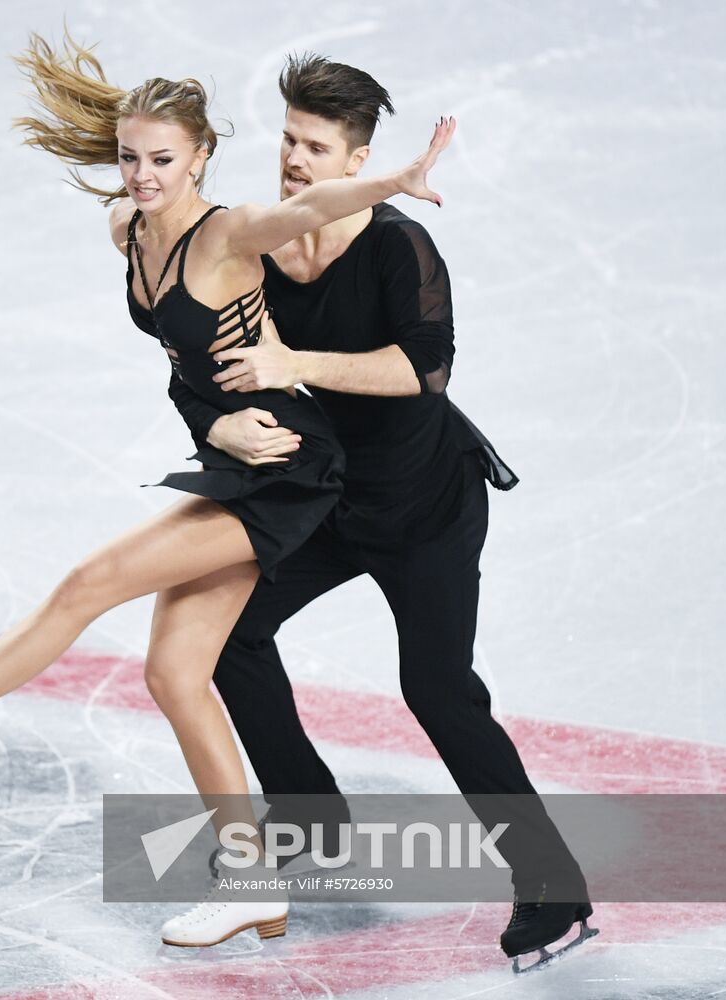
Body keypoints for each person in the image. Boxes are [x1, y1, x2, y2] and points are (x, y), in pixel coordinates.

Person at [0, 32, 454, 949]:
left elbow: (315, 204)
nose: (143, 176)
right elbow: (187, 364)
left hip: (287, 467)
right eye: (130, 158)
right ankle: (250, 881)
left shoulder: (227, 232)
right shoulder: (126, 230)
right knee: (174, 674)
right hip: (235, 453)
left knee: (88, 584)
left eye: (162, 160)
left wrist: (394, 179)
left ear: (200, 157)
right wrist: (214, 425)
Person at [165, 52, 595, 972]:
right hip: (324, 502)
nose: (293, 160)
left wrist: (295, 364)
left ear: (355, 160)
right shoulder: (256, 246)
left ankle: (553, 886)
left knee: (437, 690)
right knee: (227, 631)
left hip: (425, 505)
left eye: (315, 148)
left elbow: (423, 371)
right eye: (288, 139)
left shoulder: (399, 247)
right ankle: (312, 819)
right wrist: (219, 423)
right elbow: (192, 362)